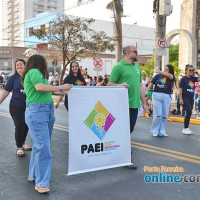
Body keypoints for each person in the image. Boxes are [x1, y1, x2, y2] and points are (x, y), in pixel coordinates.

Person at [23, 55, 72, 193]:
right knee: (43, 147)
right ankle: (41, 183)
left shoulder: (38, 74)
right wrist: (62, 87)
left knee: (40, 146)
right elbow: (39, 87)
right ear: (40, 63)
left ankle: (33, 175)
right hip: (38, 111)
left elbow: (48, 90)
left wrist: (63, 90)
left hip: (45, 111)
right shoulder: (34, 72)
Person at [108, 45, 147, 170]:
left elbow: (140, 86)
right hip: (122, 105)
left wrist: (144, 103)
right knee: (125, 132)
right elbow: (110, 84)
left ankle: (115, 151)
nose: (137, 54)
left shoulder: (137, 68)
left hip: (134, 105)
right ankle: (126, 158)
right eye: (135, 52)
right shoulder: (118, 67)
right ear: (128, 53)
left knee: (128, 131)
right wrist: (120, 84)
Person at [0, 58, 31, 157]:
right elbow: (6, 91)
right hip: (15, 106)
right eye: (17, 65)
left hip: (28, 106)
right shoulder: (13, 78)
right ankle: (19, 147)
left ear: (25, 66)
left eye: (21, 64)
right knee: (19, 124)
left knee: (26, 125)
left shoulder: (29, 77)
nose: (18, 67)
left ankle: (23, 143)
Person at [146, 64, 175, 137]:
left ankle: (162, 131)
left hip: (166, 96)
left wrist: (159, 71)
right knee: (158, 114)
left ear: (170, 70)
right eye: (164, 68)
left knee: (164, 115)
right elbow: (151, 84)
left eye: (166, 69)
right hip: (157, 95)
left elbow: (169, 76)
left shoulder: (171, 76)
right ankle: (155, 130)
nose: (165, 70)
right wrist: (146, 92)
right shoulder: (157, 76)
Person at [179, 64, 200, 135]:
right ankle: (185, 128)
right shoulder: (183, 79)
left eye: (192, 70)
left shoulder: (193, 79)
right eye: (190, 70)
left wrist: (196, 72)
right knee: (188, 111)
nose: (191, 72)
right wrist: (181, 99)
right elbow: (180, 90)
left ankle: (186, 128)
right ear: (186, 71)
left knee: (189, 113)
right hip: (185, 97)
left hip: (191, 98)